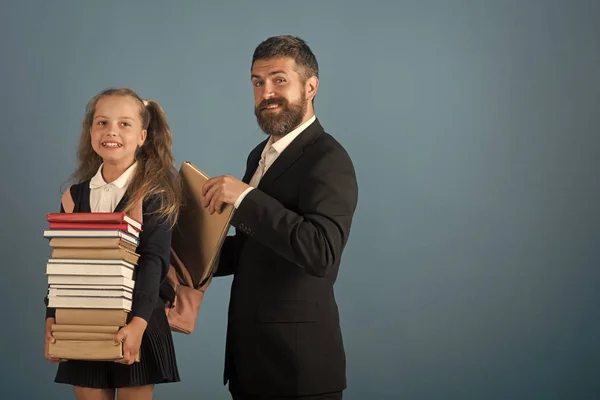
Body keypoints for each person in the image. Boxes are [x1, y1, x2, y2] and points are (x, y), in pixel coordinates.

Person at [202, 35, 359, 399]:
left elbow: (320, 251)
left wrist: (245, 197)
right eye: (258, 82)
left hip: (298, 370)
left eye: (279, 79)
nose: (266, 92)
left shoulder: (329, 159)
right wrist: (187, 254)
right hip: (251, 363)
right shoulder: (259, 154)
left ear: (311, 86)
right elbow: (253, 250)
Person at [44, 88, 181, 400]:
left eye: (124, 124)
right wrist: (52, 317)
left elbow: (153, 262)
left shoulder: (154, 193)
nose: (111, 132)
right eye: (102, 123)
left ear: (143, 136)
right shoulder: (74, 196)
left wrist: (138, 324)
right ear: (91, 131)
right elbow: (65, 265)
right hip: (83, 319)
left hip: (138, 318)